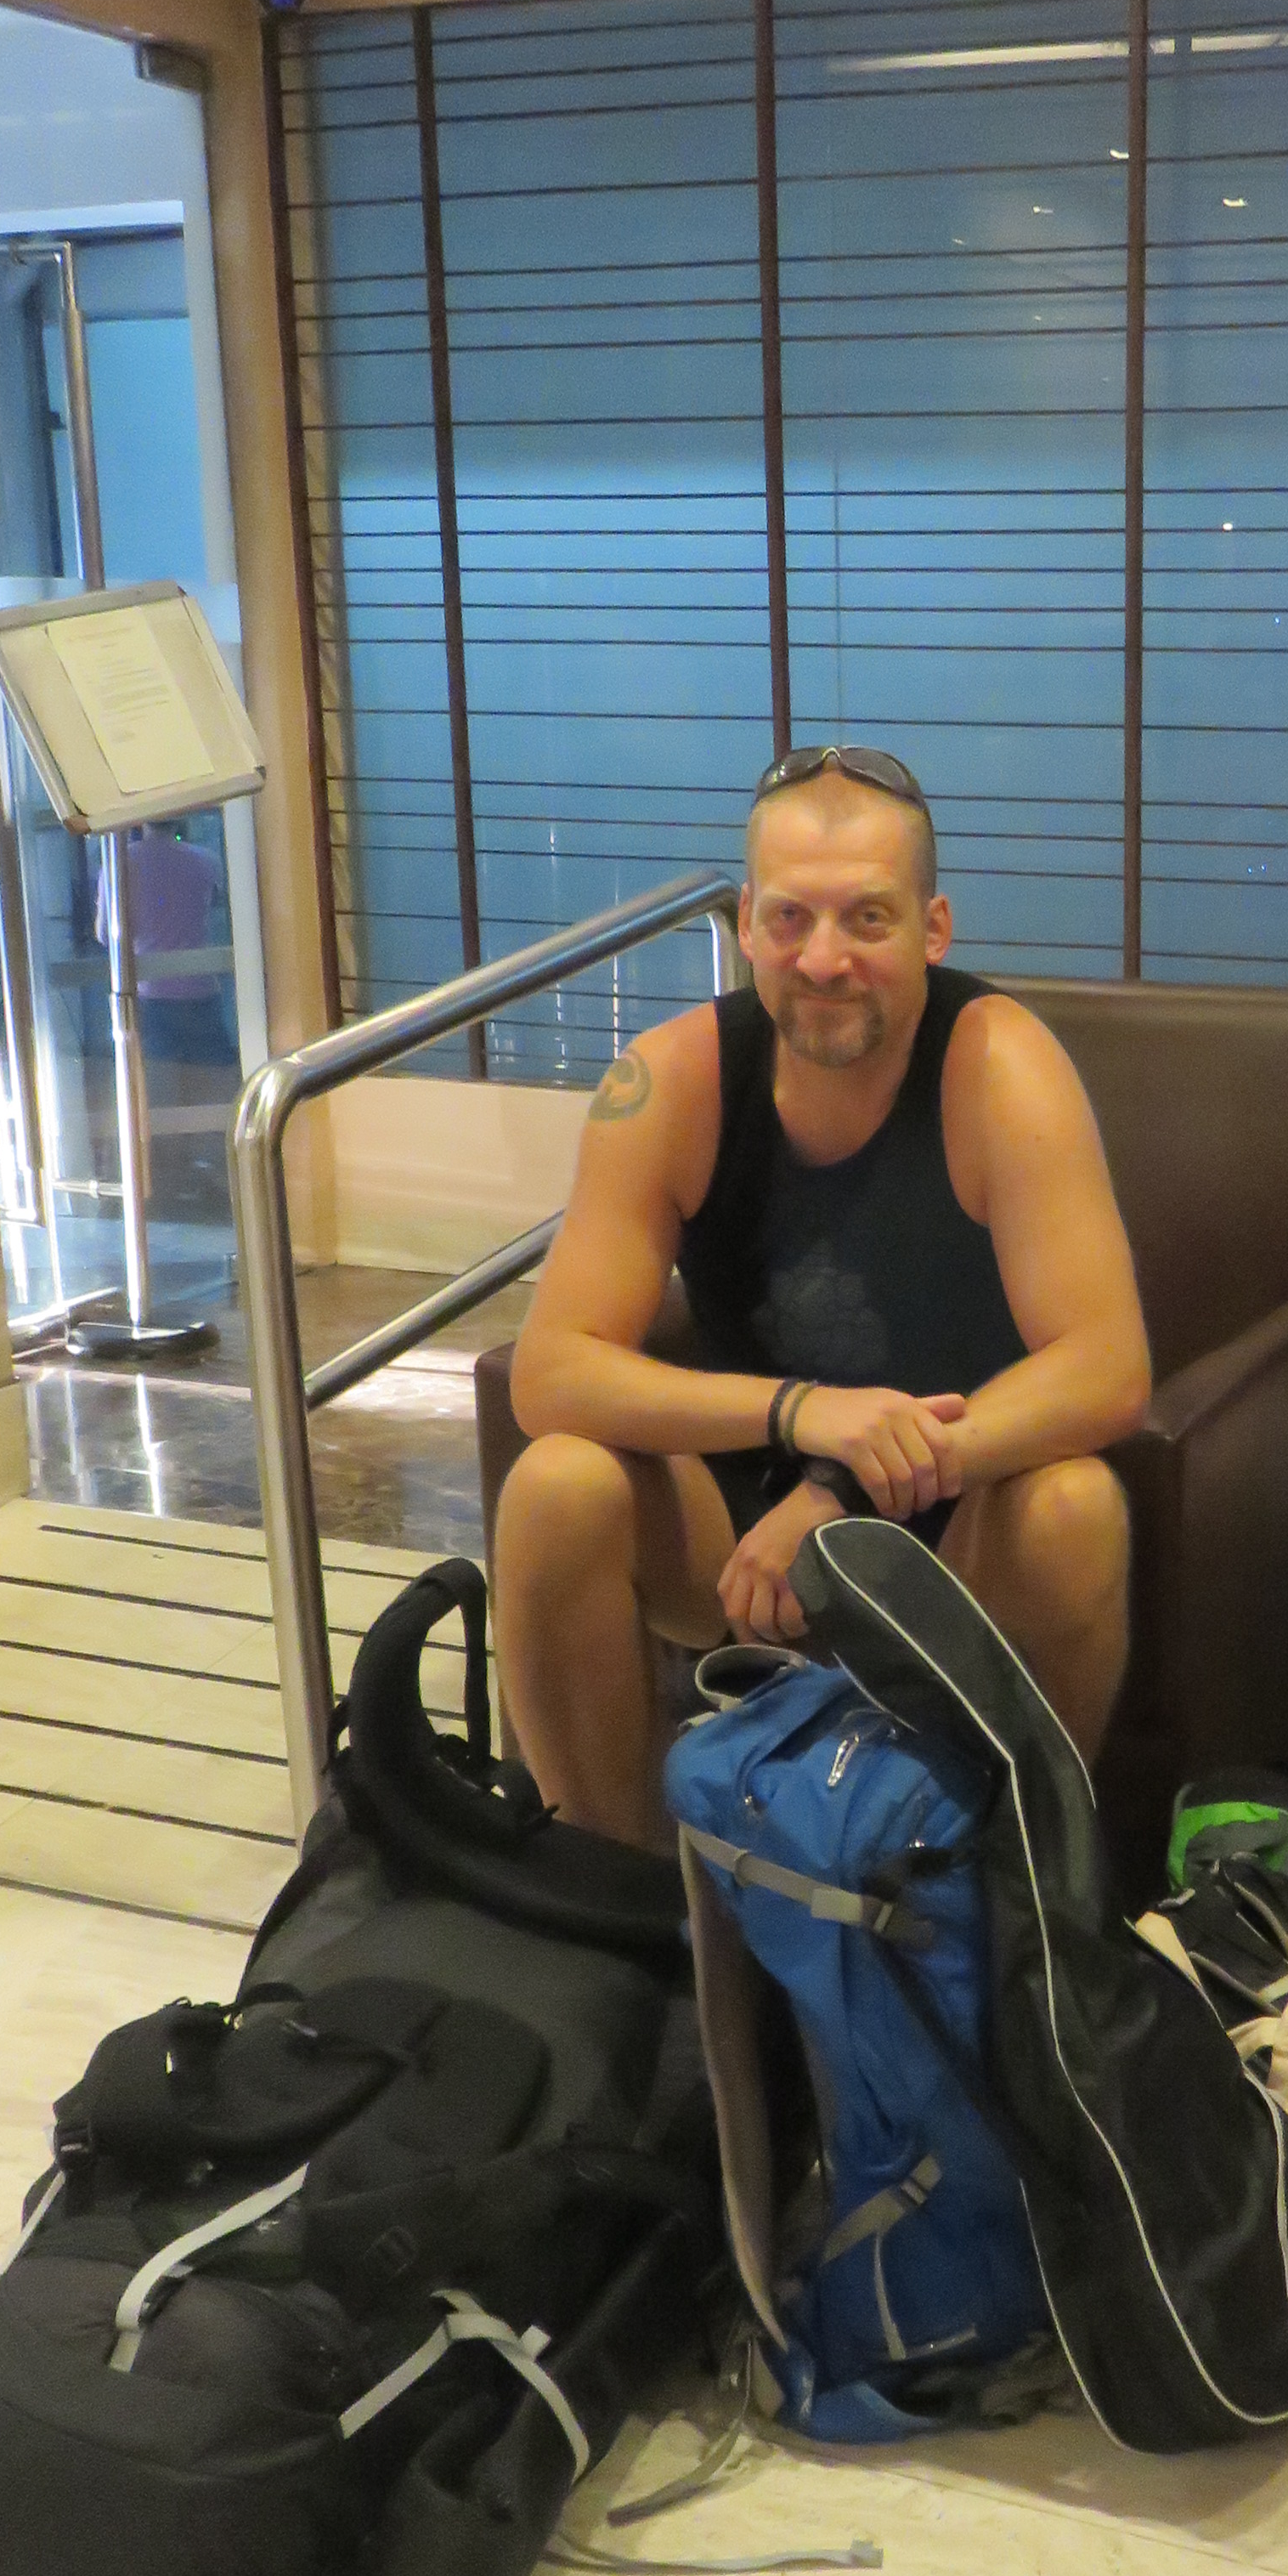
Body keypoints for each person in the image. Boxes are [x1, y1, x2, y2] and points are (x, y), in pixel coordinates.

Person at [495, 744, 1151, 1850]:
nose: (825, 960)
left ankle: (1015, 1881)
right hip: (737, 1535)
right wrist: (803, 1416)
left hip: (959, 1527)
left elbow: (1107, 1366)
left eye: (868, 920)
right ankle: (619, 1888)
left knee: (1076, 1509)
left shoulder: (1000, 1066)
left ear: (933, 930)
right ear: (747, 925)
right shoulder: (670, 1081)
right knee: (556, 1485)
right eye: (791, 918)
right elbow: (550, 1370)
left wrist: (847, 1483)